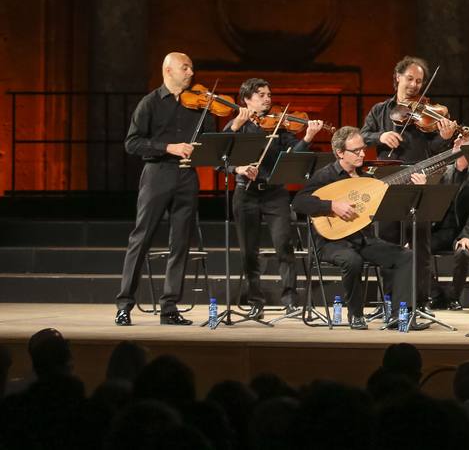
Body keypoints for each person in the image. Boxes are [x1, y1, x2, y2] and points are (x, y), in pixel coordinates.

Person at [114, 52, 211, 326]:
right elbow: (132, 143)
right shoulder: (150, 103)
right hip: (157, 173)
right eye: (185, 68)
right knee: (141, 237)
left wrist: (235, 124)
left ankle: (169, 307)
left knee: (180, 242)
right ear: (168, 70)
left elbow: (208, 141)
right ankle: (124, 305)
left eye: (191, 67)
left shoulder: (198, 105)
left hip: (187, 175)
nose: (191, 72)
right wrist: (167, 147)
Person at [291, 125, 422, 330]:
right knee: (352, 260)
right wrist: (331, 206)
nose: (362, 154)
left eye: (363, 149)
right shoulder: (326, 176)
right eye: (356, 150)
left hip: (364, 240)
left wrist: (413, 190)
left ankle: (401, 316)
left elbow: (388, 205)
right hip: (331, 243)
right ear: (340, 153)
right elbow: (299, 202)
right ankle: (356, 315)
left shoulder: (367, 178)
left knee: (406, 256)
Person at [221, 77, 325, 317]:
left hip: (274, 192)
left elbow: (293, 156)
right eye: (261, 95)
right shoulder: (236, 126)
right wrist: (239, 168)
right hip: (245, 193)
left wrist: (308, 137)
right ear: (246, 99)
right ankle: (255, 301)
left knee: (284, 245)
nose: (267, 99)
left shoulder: (279, 126)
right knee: (249, 250)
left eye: (269, 94)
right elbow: (221, 158)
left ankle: (290, 300)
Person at [361, 55, 459, 302]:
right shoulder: (379, 111)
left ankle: (420, 300)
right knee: (387, 242)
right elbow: (362, 137)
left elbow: (434, 149)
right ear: (398, 77)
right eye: (410, 79)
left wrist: (445, 138)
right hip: (388, 183)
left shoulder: (427, 113)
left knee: (420, 245)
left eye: (419, 81)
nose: (415, 85)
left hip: (418, 181)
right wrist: (380, 137)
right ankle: (390, 300)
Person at [428, 126, 469, 309]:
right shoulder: (443, 171)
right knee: (414, 249)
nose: (456, 141)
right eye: (458, 138)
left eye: (463, 139)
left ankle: (453, 297)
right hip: (444, 229)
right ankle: (437, 294)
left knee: (463, 251)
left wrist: (465, 236)